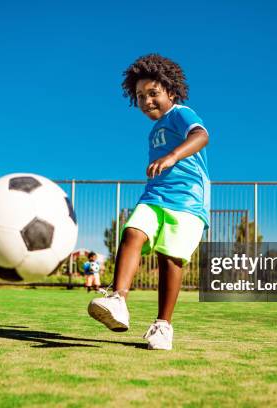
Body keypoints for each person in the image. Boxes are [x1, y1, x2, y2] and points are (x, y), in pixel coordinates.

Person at [87, 54, 210, 350]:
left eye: (153, 93)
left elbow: (201, 135)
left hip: (188, 201)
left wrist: (172, 156)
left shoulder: (181, 113)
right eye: (140, 96)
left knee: (170, 259)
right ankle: (118, 300)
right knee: (132, 232)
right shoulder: (153, 130)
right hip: (155, 195)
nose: (146, 101)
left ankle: (162, 326)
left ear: (170, 91)